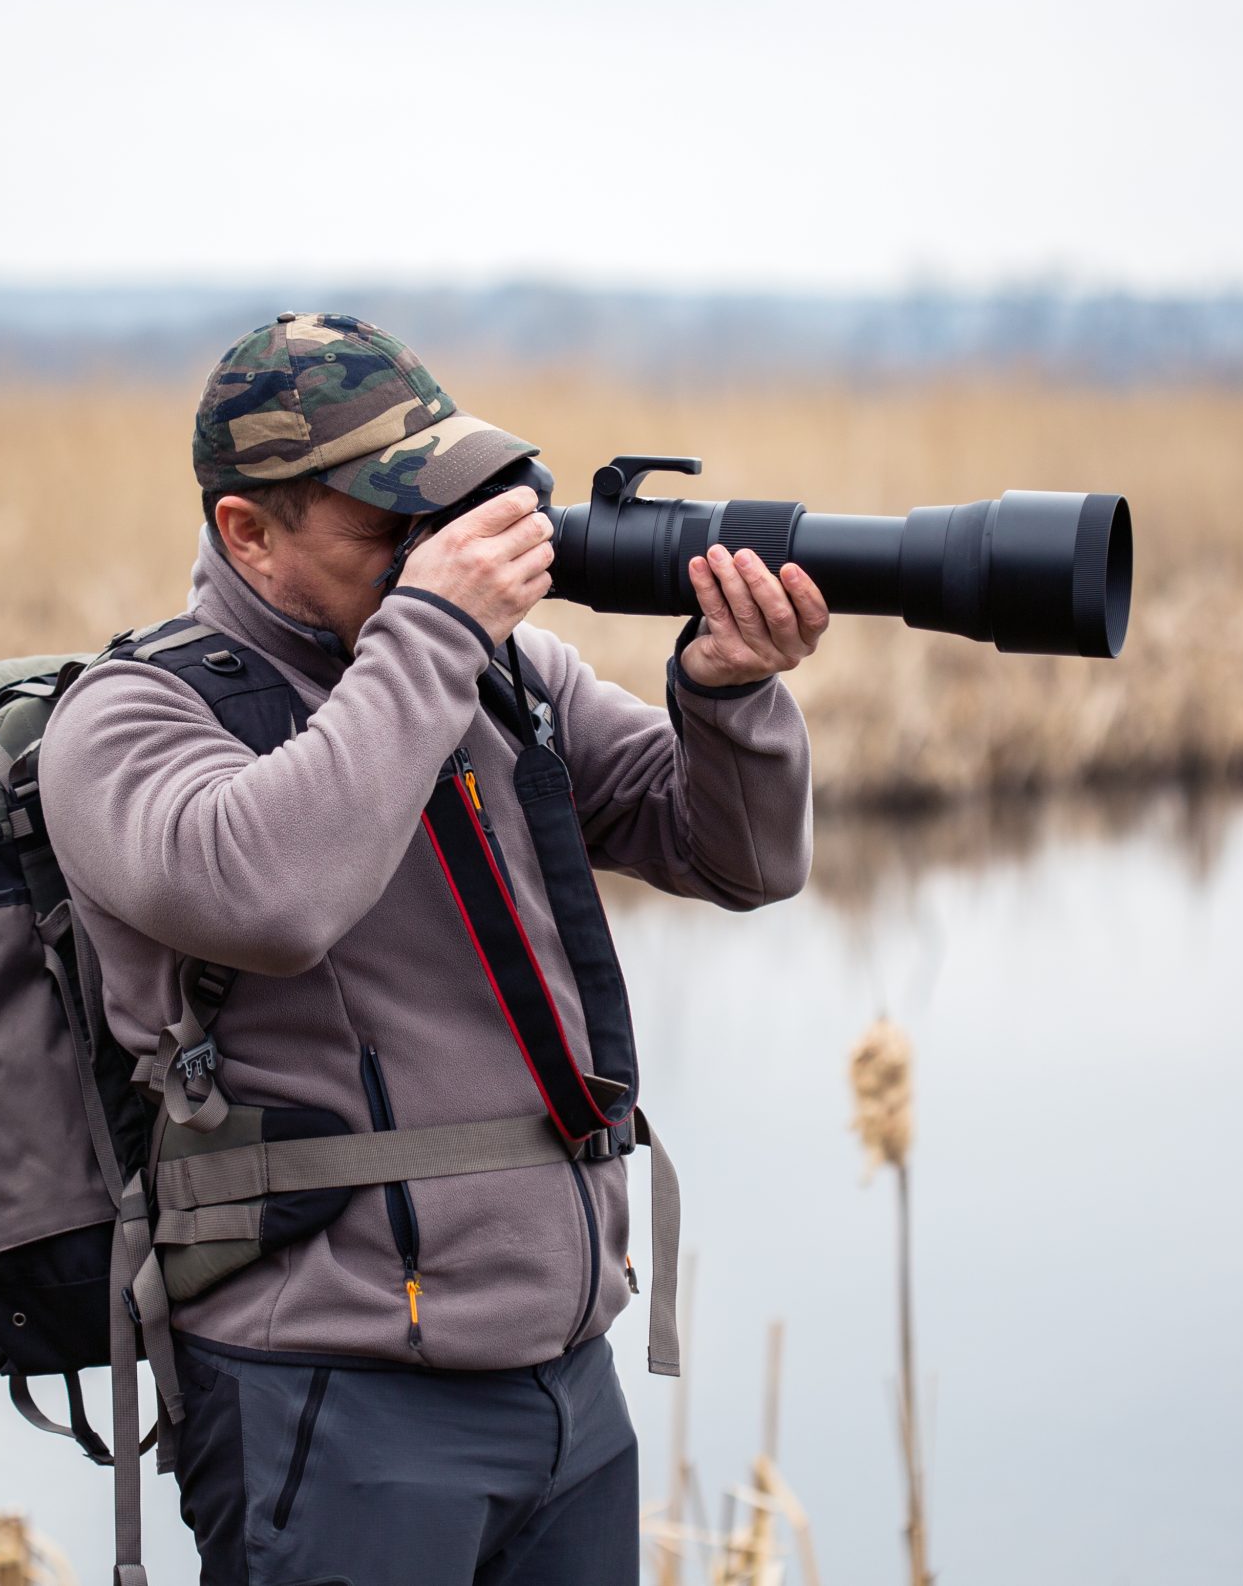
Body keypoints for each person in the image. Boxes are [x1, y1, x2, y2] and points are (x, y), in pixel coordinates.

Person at [40, 312, 824, 1584]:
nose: (433, 550)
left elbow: (736, 856)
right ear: (248, 530)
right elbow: (270, 891)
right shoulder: (132, 718)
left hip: (568, 1385)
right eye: (384, 523)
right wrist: (434, 630)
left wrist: (729, 694)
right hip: (331, 1398)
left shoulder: (505, 676)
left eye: (445, 508)